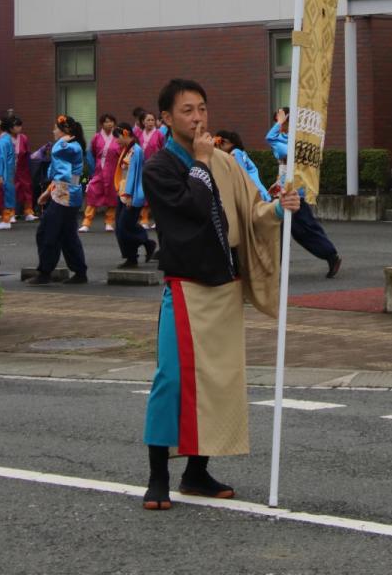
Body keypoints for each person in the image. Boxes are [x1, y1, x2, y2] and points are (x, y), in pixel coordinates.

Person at [140, 78, 299, 511]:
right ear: (168, 119)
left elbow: (253, 212)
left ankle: (196, 471)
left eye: (203, 109)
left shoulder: (226, 164)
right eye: (188, 111)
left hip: (224, 285)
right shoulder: (158, 167)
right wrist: (202, 161)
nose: (198, 118)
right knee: (170, 379)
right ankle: (158, 476)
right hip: (186, 286)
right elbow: (190, 208)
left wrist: (280, 207)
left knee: (218, 382)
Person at [265, 108, 342, 279]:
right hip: (283, 191)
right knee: (280, 230)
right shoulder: (285, 139)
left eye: (281, 122)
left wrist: (280, 123)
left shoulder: (297, 141)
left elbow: (270, 138)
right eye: (277, 122)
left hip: (295, 192)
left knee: (305, 229)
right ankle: (276, 268)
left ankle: (330, 255)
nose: (278, 126)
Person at [27, 115, 88, 286]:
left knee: (47, 232)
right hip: (62, 193)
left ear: (66, 130)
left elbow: (58, 156)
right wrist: (47, 192)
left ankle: (45, 272)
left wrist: (64, 139)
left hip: (66, 195)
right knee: (66, 234)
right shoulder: (70, 146)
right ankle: (79, 271)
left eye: (56, 128)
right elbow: (58, 175)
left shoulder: (70, 147)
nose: (53, 131)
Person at [113, 123, 156, 268]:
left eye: (117, 137)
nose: (116, 141)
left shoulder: (136, 151)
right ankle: (131, 256)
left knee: (124, 226)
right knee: (120, 226)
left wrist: (129, 194)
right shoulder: (127, 149)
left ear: (126, 134)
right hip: (123, 192)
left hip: (131, 193)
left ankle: (145, 242)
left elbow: (134, 174)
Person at [80, 113, 119, 232]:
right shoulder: (96, 137)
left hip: (113, 171)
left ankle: (109, 222)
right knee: (93, 194)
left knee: (112, 197)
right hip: (99, 171)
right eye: (107, 121)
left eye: (111, 121)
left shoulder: (118, 137)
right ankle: (86, 222)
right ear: (102, 124)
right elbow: (92, 153)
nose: (109, 124)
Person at [215, 130, 271, 202]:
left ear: (229, 143)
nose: (219, 146)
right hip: (253, 185)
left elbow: (241, 173)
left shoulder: (235, 153)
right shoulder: (238, 152)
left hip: (252, 188)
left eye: (220, 142)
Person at [0, 117, 17, 229]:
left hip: (5, 172)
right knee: (9, 194)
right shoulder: (9, 139)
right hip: (10, 171)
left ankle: (6, 220)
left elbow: (0, 158)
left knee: (5, 195)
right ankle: (9, 216)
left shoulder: (2, 141)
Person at [11, 117, 36, 221]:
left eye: (19, 125)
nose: (18, 128)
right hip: (11, 169)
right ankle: (10, 213)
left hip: (22, 168)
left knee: (27, 189)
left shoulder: (24, 138)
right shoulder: (6, 139)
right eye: (16, 126)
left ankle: (28, 211)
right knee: (12, 191)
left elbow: (27, 153)